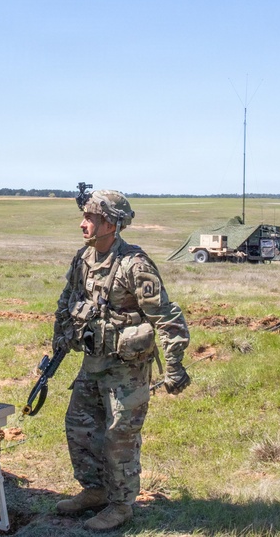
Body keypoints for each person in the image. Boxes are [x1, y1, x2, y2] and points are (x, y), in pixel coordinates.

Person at [52, 189, 190, 531]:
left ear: (111, 223)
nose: (83, 224)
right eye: (84, 217)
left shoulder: (134, 264)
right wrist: (59, 338)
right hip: (93, 362)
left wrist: (174, 366)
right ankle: (95, 490)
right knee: (80, 427)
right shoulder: (83, 260)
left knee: (119, 437)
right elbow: (67, 300)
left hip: (126, 370)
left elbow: (168, 318)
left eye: (91, 218)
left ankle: (120, 504)